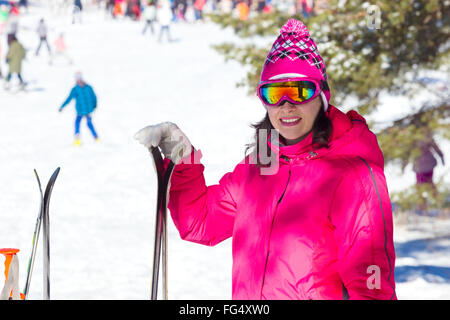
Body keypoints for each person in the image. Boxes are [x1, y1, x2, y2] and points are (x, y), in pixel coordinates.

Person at [135, 19, 397, 300]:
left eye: (299, 91)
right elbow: (200, 221)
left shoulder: (350, 172)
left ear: (320, 96)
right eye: (274, 93)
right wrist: (183, 161)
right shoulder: (262, 164)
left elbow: (372, 287)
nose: (286, 105)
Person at [59, 72, 99, 146]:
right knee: (78, 123)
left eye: (78, 79)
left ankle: (96, 137)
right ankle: (78, 138)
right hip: (80, 110)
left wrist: (94, 105)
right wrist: (62, 106)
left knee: (88, 124)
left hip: (87, 110)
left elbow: (94, 97)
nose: (78, 81)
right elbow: (69, 98)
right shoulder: (75, 89)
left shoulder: (88, 87)